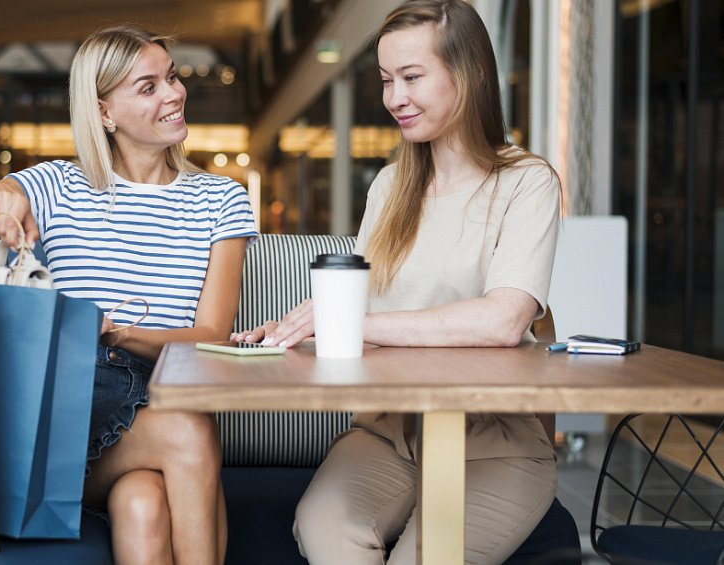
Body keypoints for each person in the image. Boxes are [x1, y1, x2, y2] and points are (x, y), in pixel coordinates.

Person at [0, 26, 258, 565]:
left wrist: (117, 330)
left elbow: (212, 337)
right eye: (148, 87)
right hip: (72, 403)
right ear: (104, 112)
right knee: (189, 435)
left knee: (142, 504)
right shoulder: (58, 186)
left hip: (162, 395)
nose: (173, 94)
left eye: (171, 77)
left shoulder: (221, 198)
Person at [231, 1, 562, 563]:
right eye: (386, 81)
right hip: (387, 435)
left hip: (494, 446)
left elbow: (504, 319)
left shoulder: (527, 182)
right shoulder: (389, 186)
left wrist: (354, 324)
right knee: (325, 532)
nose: (393, 99)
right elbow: (356, 298)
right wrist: (296, 326)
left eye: (411, 77)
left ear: (472, 73)